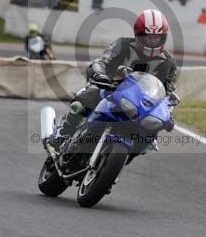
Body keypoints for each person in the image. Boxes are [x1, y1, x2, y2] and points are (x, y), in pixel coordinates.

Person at [53, 9, 178, 142]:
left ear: (163, 37)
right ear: (138, 34)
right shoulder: (122, 44)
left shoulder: (168, 62)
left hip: (140, 104)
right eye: (149, 37)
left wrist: (167, 113)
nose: (153, 41)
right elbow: (103, 61)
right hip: (110, 89)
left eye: (156, 37)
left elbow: (167, 92)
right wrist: (100, 75)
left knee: (151, 134)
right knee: (85, 97)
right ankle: (64, 131)